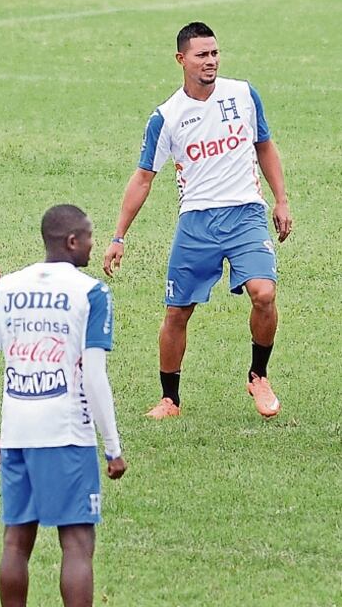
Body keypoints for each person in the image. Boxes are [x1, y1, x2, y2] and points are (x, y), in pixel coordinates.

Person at [103, 21, 293, 420]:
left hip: (245, 214)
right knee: (177, 312)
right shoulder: (167, 117)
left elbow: (264, 144)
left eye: (215, 53)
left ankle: (258, 375)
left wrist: (281, 200)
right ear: (181, 59)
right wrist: (118, 236)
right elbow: (143, 178)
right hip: (197, 222)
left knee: (264, 293)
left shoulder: (242, 94)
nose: (211, 61)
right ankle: (170, 399)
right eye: (202, 55)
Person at [0, 204, 128, 607]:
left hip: (17, 431)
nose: (94, 245)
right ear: (72, 242)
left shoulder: (9, 288)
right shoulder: (91, 293)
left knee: (16, 542)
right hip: (67, 435)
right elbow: (95, 377)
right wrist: (112, 447)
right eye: (90, 238)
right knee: (76, 544)